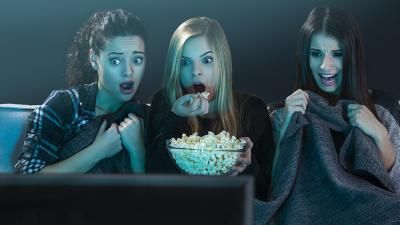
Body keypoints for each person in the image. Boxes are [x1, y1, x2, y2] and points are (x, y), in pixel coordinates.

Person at [258, 6, 400, 225]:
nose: (326, 65)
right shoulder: (282, 112)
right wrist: (287, 124)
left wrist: (380, 134)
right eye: (316, 54)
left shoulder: (382, 109)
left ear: (352, 56)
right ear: (305, 57)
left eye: (337, 54)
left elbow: (395, 187)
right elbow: (276, 190)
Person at [147, 17, 275, 201]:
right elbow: (152, 181)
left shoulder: (251, 110)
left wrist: (248, 165)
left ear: (222, 62)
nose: (195, 71)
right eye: (185, 62)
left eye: (207, 60)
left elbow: (266, 193)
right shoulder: (165, 103)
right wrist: (175, 119)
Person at [15, 9, 149, 174]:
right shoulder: (65, 106)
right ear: (94, 59)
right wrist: (97, 151)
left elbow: (148, 197)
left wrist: (137, 151)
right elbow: (26, 179)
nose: (128, 71)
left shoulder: (145, 118)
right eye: (115, 61)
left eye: (137, 60)